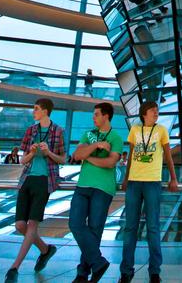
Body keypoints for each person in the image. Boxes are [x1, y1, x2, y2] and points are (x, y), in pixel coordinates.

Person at [5, 99, 65, 281]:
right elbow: (23, 160)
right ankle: (46, 250)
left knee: (32, 224)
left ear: (46, 111)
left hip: (45, 180)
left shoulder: (58, 131)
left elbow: (63, 159)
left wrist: (48, 153)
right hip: (27, 179)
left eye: (37, 109)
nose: (34, 112)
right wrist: (31, 152)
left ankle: (14, 268)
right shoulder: (31, 130)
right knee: (20, 225)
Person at [120, 101, 179, 283]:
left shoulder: (161, 130)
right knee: (130, 227)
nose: (156, 113)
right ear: (144, 113)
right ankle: (126, 272)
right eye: (153, 110)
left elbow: (168, 155)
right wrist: (126, 177)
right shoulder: (135, 130)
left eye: (157, 111)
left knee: (153, 227)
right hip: (134, 182)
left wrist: (173, 177)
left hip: (153, 181)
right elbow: (130, 156)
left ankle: (155, 271)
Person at [69, 103, 123, 283]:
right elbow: (77, 155)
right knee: (75, 224)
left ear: (106, 116)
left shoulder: (116, 137)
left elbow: (110, 163)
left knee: (94, 230)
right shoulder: (88, 134)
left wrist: (88, 157)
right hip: (83, 186)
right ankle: (98, 262)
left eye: (97, 114)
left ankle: (82, 274)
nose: (94, 118)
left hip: (103, 188)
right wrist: (96, 146)